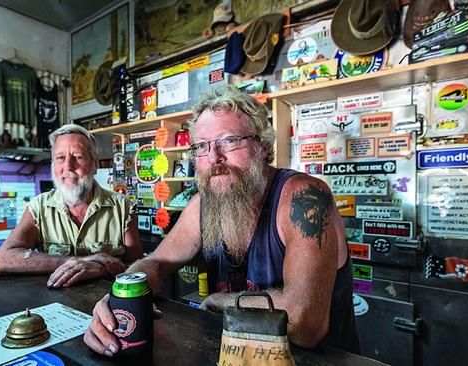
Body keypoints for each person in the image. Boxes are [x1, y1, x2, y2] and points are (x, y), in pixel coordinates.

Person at [84, 87, 359, 357]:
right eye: (202, 146)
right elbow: (157, 263)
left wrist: (220, 301)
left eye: (229, 140)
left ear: (263, 146)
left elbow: (304, 323)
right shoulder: (205, 202)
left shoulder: (304, 197)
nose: (214, 157)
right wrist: (123, 297)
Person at [0, 124, 143, 288]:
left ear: (94, 164)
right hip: (54, 306)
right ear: (53, 165)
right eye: (60, 158)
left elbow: (137, 269)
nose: (68, 167)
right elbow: (3, 260)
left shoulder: (122, 208)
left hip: (107, 303)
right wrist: (79, 261)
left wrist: (100, 269)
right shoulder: (39, 207)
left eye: (78, 157)